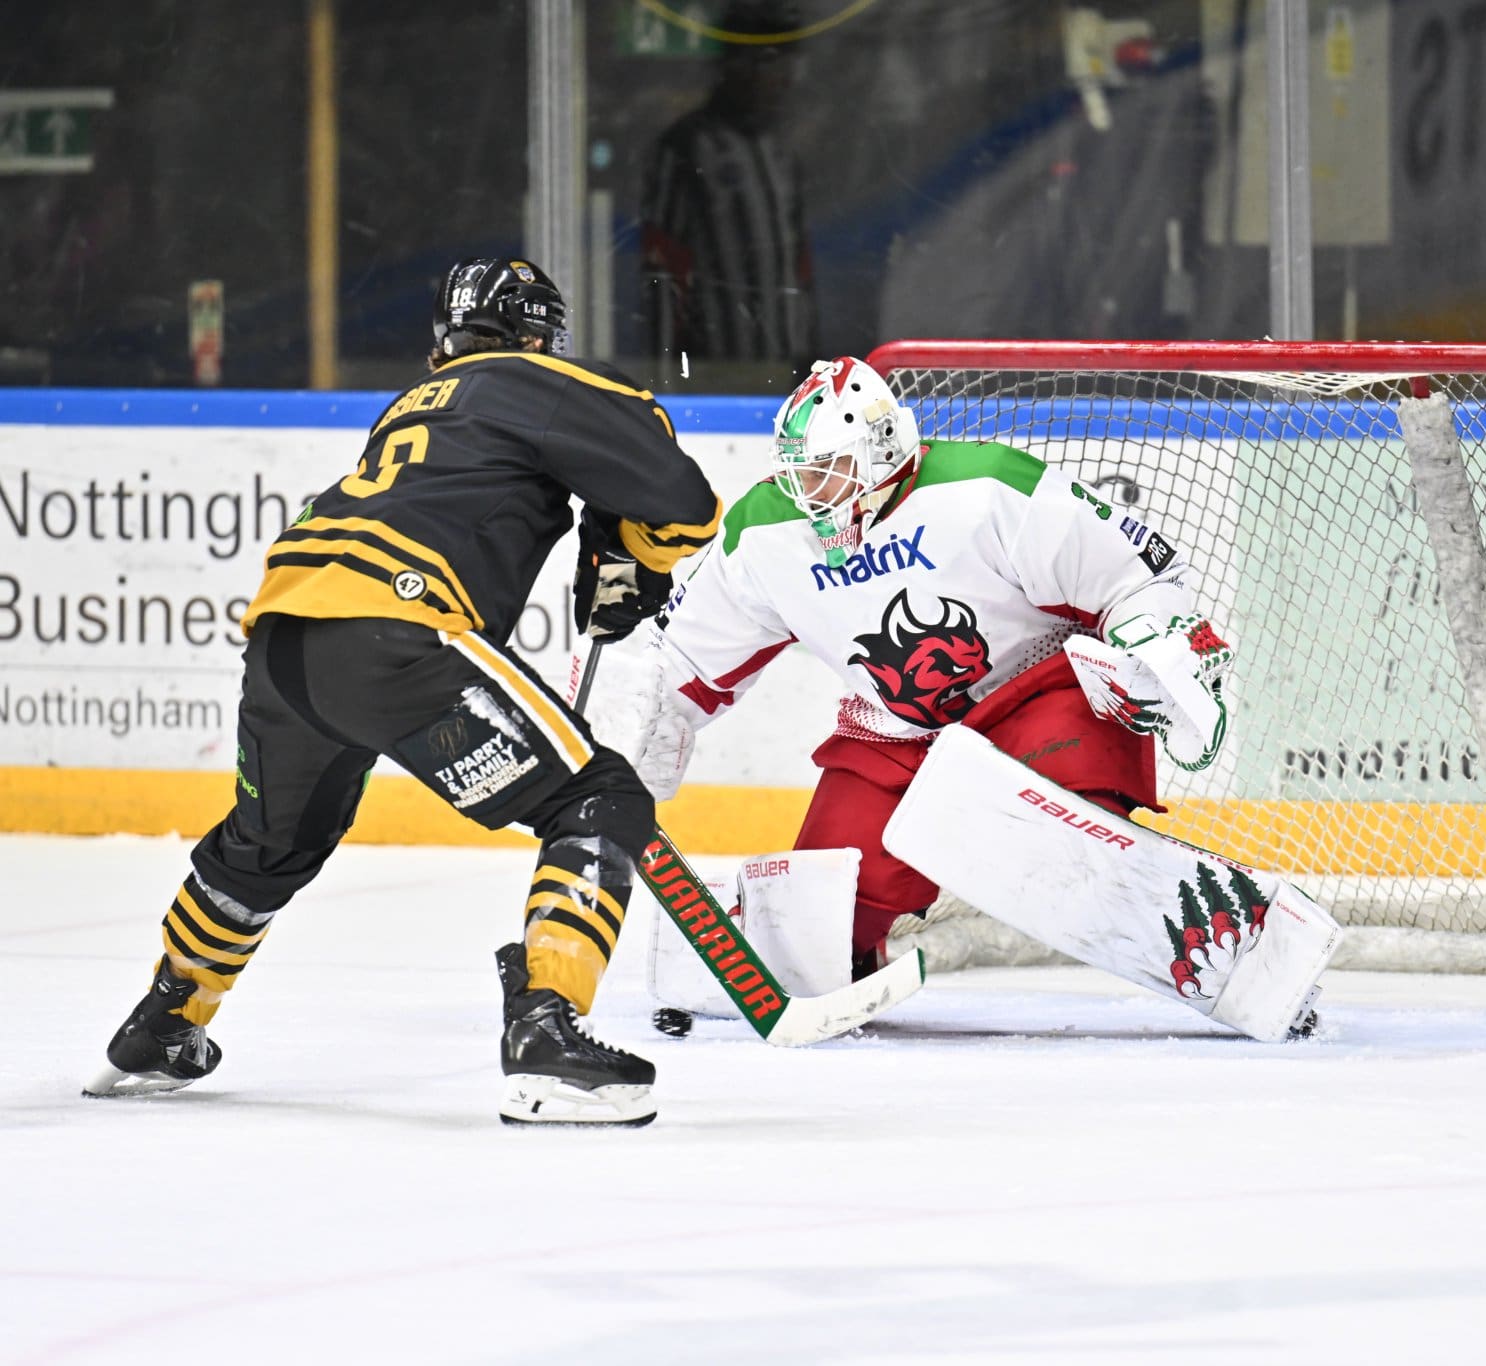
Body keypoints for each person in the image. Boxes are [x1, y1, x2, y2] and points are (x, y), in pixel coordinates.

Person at [83, 258, 722, 1126]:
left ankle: (165, 1021)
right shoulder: (538, 378)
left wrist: (607, 533)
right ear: (538, 336)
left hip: (283, 636)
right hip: (396, 631)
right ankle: (545, 1030)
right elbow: (683, 498)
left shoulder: (415, 404)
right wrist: (634, 554)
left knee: (267, 846)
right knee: (599, 798)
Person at [583, 357, 1335, 1042]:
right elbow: (686, 661)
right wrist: (637, 728)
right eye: (800, 477)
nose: (812, 496)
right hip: (895, 734)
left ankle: (1248, 956)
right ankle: (791, 960)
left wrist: (1158, 646)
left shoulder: (987, 487)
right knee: (821, 916)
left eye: (830, 473)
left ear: (881, 450)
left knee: (1053, 833)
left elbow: (1134, 576)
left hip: (1034, 697)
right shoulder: (766, 532)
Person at [639, 23, 818, 371]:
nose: (782, 78)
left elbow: (799, 267)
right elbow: (662, 267)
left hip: (786, 365)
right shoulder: (688, 146)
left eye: (786, 63)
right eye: (768, 62)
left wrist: (811, 358)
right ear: (736, 66)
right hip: (715, 369)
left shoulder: (779, 148)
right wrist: (664, 373)